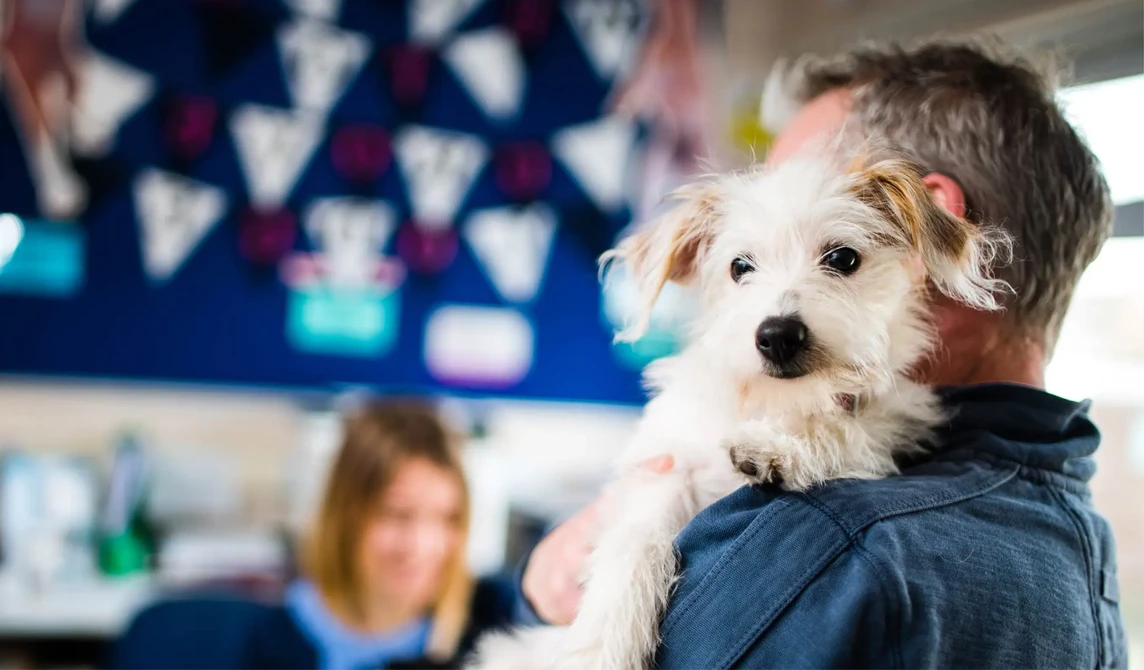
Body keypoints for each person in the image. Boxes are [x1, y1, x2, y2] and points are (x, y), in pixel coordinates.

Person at [515, 38, 1129, 668]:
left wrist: (544, 593)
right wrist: (555, 583)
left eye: (839, 258)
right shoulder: (1080, 537)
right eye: (743, 266)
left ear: (923, 229)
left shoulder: (841, 544)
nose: (777, 313)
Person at [245, 400, 515, 670]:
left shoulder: (492, 620)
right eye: (397, 515)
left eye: (447, 518)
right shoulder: (278, 636)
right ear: (346, 514)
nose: (421, 546)